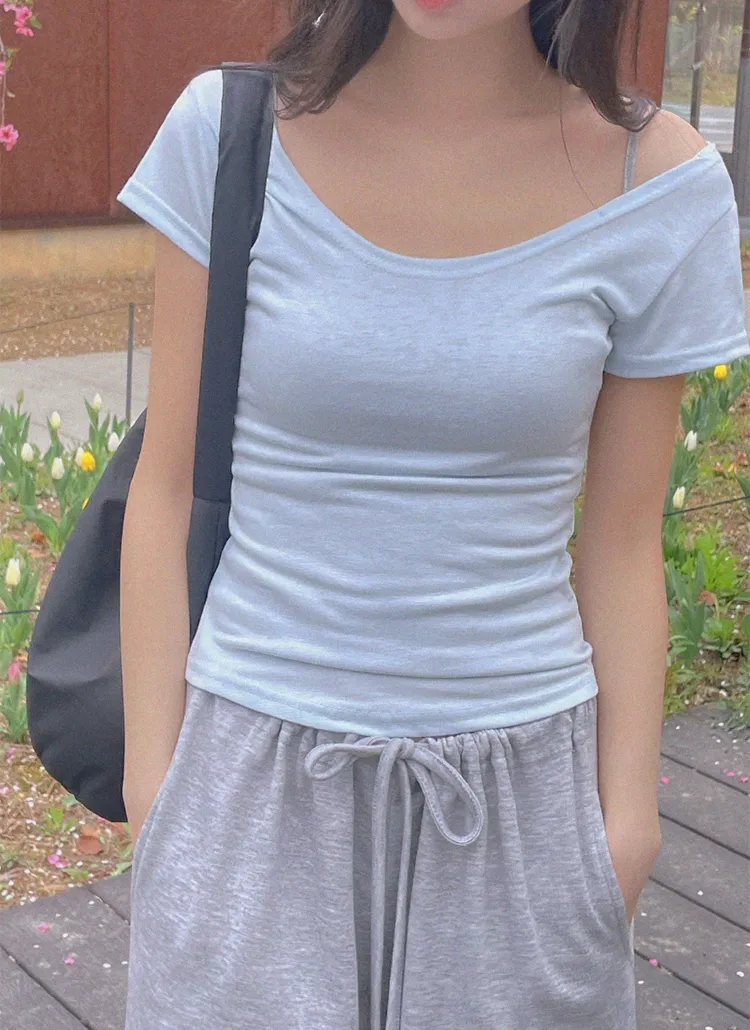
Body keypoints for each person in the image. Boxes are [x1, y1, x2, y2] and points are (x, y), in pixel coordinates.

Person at [115, 0, 750, 1023]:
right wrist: (158, 793)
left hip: (521, 804)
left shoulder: (658, 184)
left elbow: (624, 543)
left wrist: (625, 826)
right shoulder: (232, 135)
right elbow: (166, 485)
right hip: (246, 786)